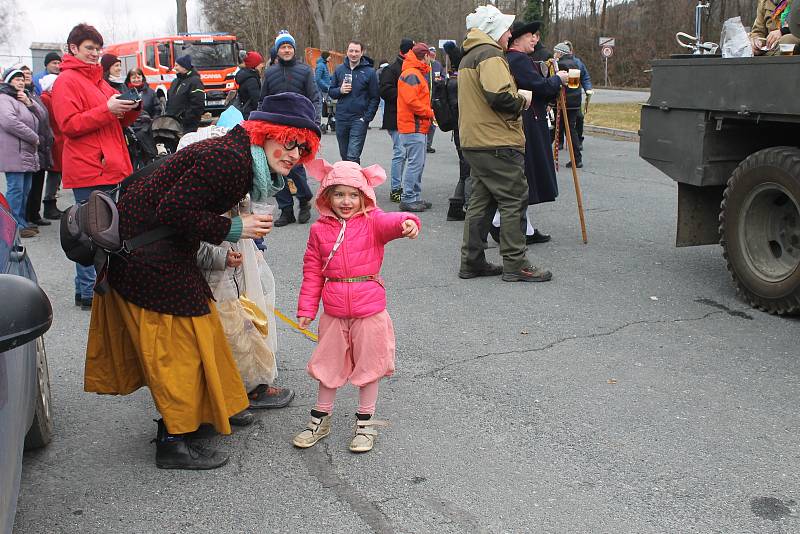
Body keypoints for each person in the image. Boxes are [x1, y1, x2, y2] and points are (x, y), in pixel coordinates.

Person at [84, 93, 321, 470]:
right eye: (289, 141)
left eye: (302, 149)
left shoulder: (240, 154)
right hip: (144, 255)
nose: (293, 154)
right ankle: (172, 441)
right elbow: (173, 210)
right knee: (179, 350)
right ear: (268, 133)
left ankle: (192, 421)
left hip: (152, 249)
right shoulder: (232, 160)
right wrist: (233, 228)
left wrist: (227, 231)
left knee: (198, 338)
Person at [292, 159, 421, 453]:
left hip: (370, 310)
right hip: (334, 312)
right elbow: (312, 272)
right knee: (328, 366)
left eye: (353, 194)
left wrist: (409, 223)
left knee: (370, 365)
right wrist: (306, 310)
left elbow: (393, 221)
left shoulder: (373, 221)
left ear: (364, 195)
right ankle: (320, 419)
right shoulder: (318, 231)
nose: (346, 201)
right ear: (327, 196)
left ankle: (365, 424)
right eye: (339, 194)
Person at [457, 5, 552, 283]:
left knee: (481, 202)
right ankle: (516, 262)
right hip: (496, 140)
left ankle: (472, 261)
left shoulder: (468, 56)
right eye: (507, 29)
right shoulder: (490, 55)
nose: (510, 34)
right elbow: (500, 98)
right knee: (513, 199)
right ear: (494, 30)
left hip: (475, 141)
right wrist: (523, 98)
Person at [52, 23, 141, 309]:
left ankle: (89, 289)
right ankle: (90, 291)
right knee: (90, 233)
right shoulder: (66, 80)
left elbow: (111, 122)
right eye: (89, 48)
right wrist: (107, 110)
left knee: (105, 231)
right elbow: (69, 125)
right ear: (73, 49)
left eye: (97, 49)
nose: (94, 53)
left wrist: (128, 110)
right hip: (90, 168)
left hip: (110, 165)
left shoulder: (98, 80)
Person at [506, 20, 568, 244]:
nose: (534, 39)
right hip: (528, 122)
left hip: (530, 119)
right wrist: (557, 80)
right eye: (531, 35)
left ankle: (526, 226)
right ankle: (501, 223)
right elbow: (538, 86)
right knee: (527, 174)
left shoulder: (519, 59)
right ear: (518, 39)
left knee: (525, 176)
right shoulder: (518, 59)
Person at [259, 30, 321, 227]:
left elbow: (315, 98)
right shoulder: (269, 73)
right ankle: (286, 210)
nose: (286, 50)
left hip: (299, 128)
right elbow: (262, 101)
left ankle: (304, 200)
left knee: (295, 168)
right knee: (275, 170)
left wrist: (315, 122)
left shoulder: (304, 71)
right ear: (278, 51)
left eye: (289, 47)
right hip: (275, 129)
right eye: (283, 47)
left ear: (294, 49)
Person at [0, 67, 45, 239]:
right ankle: (12, 225)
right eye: (16, 79)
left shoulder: (23, 98)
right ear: (8, 82)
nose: (20, 82)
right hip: (14, 152)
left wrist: (29, 103)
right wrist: (33, 137)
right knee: (16, 190)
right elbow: (9, 122)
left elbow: (42, 117)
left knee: (25, 190)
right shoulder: (4, 99)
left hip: (26, 153)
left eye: (21, 79)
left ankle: (21, 222)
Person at [397, 42, 435, 212]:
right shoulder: (412, 74)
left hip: (416, 125)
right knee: (415, 164)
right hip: (414, 125)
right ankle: (408, 197)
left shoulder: (413, 72)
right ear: (425, 56)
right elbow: (412, 101)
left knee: (417, 163)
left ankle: (414, 196)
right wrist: (429, 112)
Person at [329, 41, 380, 163]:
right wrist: (340, 90)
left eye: (357, 51)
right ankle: (349, 180)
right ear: (347, 52)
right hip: (341, 118)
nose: (353, 54)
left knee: (353, 156)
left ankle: (353, 181)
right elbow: (331, 91)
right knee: (344, 156)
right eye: (351, 51)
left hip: (359, 119)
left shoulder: (369, 72)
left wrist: (367, 117)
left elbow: (375, 97)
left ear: (362, 53)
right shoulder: (339, 70)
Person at [379, 38, 415, 203]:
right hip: (395, 118)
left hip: (411, 117)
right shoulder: (391, 69)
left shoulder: (414, 68)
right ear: (407, 51)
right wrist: (404, 95)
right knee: (400, 151)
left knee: (410, 154)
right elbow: (385, 91)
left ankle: (409, 188)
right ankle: (395, 189)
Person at [440, 40, 471, 221]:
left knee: (464, 168)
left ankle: (456, 207)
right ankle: (468, 206)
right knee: (469, 169)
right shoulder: (460, 83)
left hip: (457, 127)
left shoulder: (450, 80)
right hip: (464, 127)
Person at [21, 66, 55, 229]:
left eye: (28, 75)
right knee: (24, 186)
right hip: (27, 144)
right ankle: (24, 217)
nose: (26, 77)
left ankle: (34, 214)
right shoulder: (14, 96)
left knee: (38, 181)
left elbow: (42, 114)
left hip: (41, 143)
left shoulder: (34, 94)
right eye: (22, 76)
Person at [38, 74, 65, 220]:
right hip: (55, 141)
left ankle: (51, 203)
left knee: (57, 174)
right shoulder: (46, 98)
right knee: (54, 174)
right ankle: (49, 204)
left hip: (59, 140)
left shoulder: (51, 97)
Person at [553, 42, 583, 168]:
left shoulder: (560, 65)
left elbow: (558, 84)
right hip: (575, 102)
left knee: (563, 130)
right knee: (571, 130)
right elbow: (574, 85)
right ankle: (577, 158)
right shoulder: (575, 63)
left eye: (555, 52)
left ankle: (576, 158)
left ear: (560, 53)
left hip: (566, 102)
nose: (554, 54)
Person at [164, 54, 205, 133]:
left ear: (184, 66)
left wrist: (186, 118)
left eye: (177, 65)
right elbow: (169, 99)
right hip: (173, 122)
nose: (175, 68)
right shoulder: (175, 81)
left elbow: (198, 103)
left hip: (188, 124)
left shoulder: (195, 81)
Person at [425, 46, 444, 154]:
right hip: (424, 99)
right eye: (430, 54)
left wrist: (440, 80)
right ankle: (422, 144)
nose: (432, 56)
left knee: (433, 124)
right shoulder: (423, 65)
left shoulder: (438, 65)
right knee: (424, 123)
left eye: (434, 54)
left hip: (435, 99)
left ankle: (428, 144)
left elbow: (442, 77)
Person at [235, 51, 264, 118]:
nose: (262, 66)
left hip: (246, 112)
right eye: (260, 63)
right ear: (254, 65)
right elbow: (256, 100)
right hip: (250, 115)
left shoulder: (246, 76)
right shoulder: (251, 80)